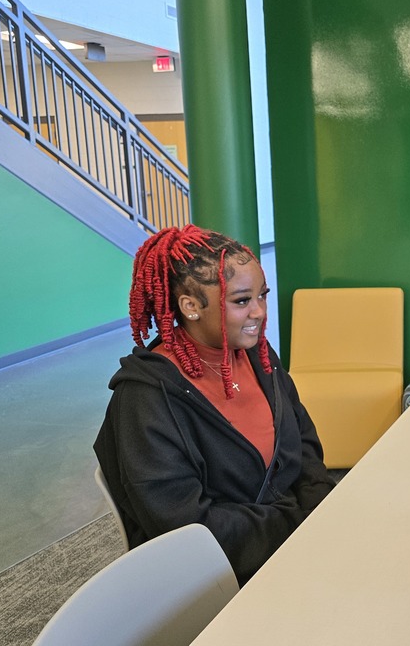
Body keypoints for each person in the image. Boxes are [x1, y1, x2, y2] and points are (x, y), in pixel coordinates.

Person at [94, 225, 335, 584]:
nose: (259, 312)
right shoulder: (145, 399)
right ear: (190, 306)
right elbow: (185, 525)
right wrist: (297, 526)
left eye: (262, 296)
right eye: (241, 301)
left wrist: (324, 510)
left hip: (289, 541)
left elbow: (303, 443)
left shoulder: (259, 356)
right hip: (217, 573)